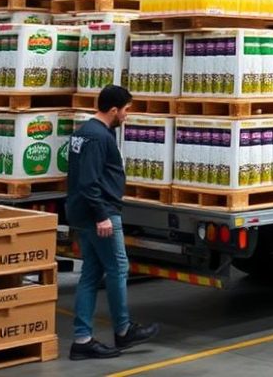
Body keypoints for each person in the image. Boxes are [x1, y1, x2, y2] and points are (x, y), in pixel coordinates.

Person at [67, 85, 159, 361]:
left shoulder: (83, 133)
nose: (127, 116)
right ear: (113, 110)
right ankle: (123, 329)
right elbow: (89, 181)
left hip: (84, 213)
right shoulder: (97, 137)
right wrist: (102, 215)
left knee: (91, 275)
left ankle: (82, 340)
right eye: (126, 110)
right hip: (100, 214)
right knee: (119, 268)